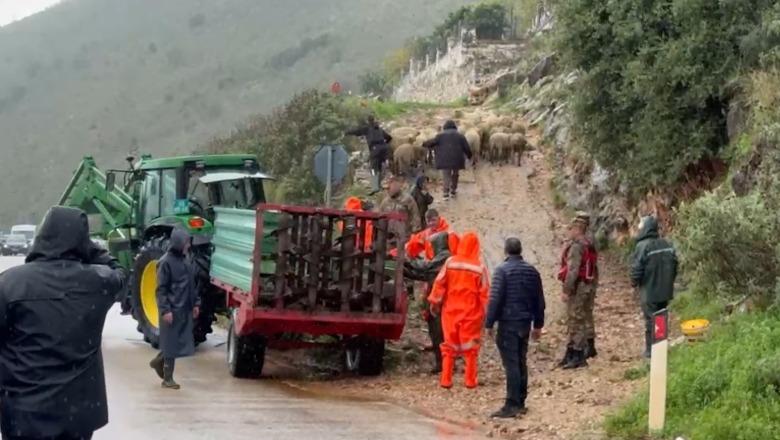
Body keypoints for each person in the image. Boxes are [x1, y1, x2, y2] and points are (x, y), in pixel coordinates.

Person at [0, 206, 126, 440]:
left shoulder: (10, 283)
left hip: (23, 413)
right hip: (77, 414)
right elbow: (119, 271)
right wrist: (92, 249)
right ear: (82, 242)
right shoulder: (98, 282)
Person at [485, 238, 545, 418]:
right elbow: (539, 301)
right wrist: (538, 325)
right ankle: (520, 401)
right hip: (525, 322)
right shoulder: (532, 271)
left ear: (505, 251)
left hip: (508, 322)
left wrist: (489, 323)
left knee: (511, 363)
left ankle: (511, 404)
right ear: (520, 250)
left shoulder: (501, 271)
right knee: (520, 361)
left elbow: (495, 299)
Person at [428, 232, 489, 389]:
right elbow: (485, 293)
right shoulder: (479, 267)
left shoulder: (450, 262)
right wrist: (487, 314)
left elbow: (439, 284)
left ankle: (446, 379)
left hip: (450, 312)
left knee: (449, 346)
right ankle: (470, 380)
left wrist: (434, 303)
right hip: (471, 313)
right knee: (470, 349)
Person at [150, 228, 200, 390]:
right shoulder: (165, 263)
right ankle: (167, 378)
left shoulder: (186, 261)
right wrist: (165, 310)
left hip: (184, 309)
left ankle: (158, 362)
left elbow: (192, 286)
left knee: (178, 343)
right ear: (178, 243)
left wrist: (195, 304)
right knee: (171, 344)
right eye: (186, 242)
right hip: (171, 310)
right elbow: (161, 289)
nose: (188, 245)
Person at [404, 232, 455, 374]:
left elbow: (425, 267)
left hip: (443, 304)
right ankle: (441, 364)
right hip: (437, 303)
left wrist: (406, 261)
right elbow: (424, 274)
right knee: (436, 333)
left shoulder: (445, 257)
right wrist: (405, 270)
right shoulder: (443, 259)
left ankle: (446, 366)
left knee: (440, 335)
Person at [630, 216, 678, 358]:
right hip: (665, 290)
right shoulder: (667, 244)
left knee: (650, 319)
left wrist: (634, 282)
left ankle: (651, 352)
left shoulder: (642, 246)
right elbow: (675, 265)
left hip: (649, 289)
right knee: (661, 318)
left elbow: (637, 268)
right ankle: (661, 348)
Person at [557, 216, 598, 369]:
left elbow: (573, 270)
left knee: (575, 319)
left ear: (577, 229)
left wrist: (566, 290)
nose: (569, 232)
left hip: (578, 287)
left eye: (571, 229)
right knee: (580, 317)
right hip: (587, 285)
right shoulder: (589, 244)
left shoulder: (576, 246)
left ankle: (578, 354)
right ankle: (571, 352)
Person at [423, 120, 473, 200]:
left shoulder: (440, 136)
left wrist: (424, 143)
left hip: (444, 160)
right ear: (454, 127)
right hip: (457, 159)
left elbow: (432, 142)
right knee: (455, 174)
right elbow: (466, 148)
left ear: (445, 127)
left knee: (446, 175)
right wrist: (469, 156)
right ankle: (453, 191)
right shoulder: (460, 136)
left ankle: (445, 193)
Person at [345, 115, 393, 194]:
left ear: (368, 121)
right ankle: (379, 185)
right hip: (384, 149)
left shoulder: (367, 128)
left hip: (375, 149)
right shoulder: (380, 129)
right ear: (374, 120)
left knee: (373, 169)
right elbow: (389, 137)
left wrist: (347, 132)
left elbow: (357, 131)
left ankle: (375, 187)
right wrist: (384, 144)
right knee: (379, 167)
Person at [574, 211, 598, 358]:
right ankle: (590, 344)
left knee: (580, 313)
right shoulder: (592, 238)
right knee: (588, 312)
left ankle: (583, 346)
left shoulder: (581, 241)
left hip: (584, 280)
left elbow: (575, 265)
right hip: (593, 278)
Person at [378, 175, 421, 248]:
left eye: (388, 188)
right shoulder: (385, 202)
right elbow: (380, 217)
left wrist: (415, 233)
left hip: (405, 237)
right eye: (386, 189)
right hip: (389, 238)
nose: (387, 190)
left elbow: (415, 216)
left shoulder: (407, 199)